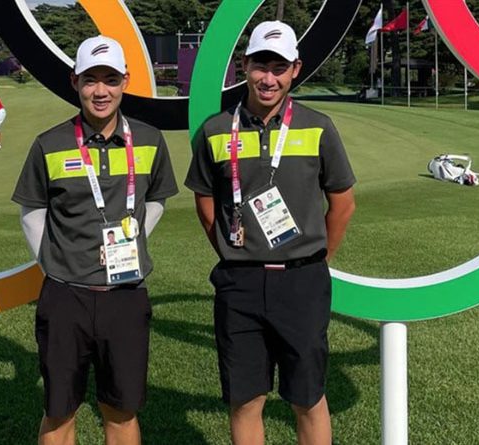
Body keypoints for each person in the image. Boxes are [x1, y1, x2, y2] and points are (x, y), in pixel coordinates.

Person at [185, 21, 356, 445]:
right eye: (261, 65)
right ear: (245, 65)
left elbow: (342, 203)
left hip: (302, 281)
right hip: (239, 282)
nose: (269, 78)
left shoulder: (318, 126)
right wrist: (234, 250)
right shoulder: (215, 129)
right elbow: (206, 202)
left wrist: (316, 260)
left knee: (308, 397)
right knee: (245, 400)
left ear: (295, 69)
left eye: (279, 68)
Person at [12, 35, 179, 445]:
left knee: (121, 411)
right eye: (90, 80)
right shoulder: (50, 143)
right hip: (65, 296)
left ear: (125, 81)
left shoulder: (149, 139)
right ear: (75, 82)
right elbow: (32, 211)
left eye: (110, 79)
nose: (100, 91)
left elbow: (156, 199)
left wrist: (133, 239)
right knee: (59, 411)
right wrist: (55, 262)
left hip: (126, 295)